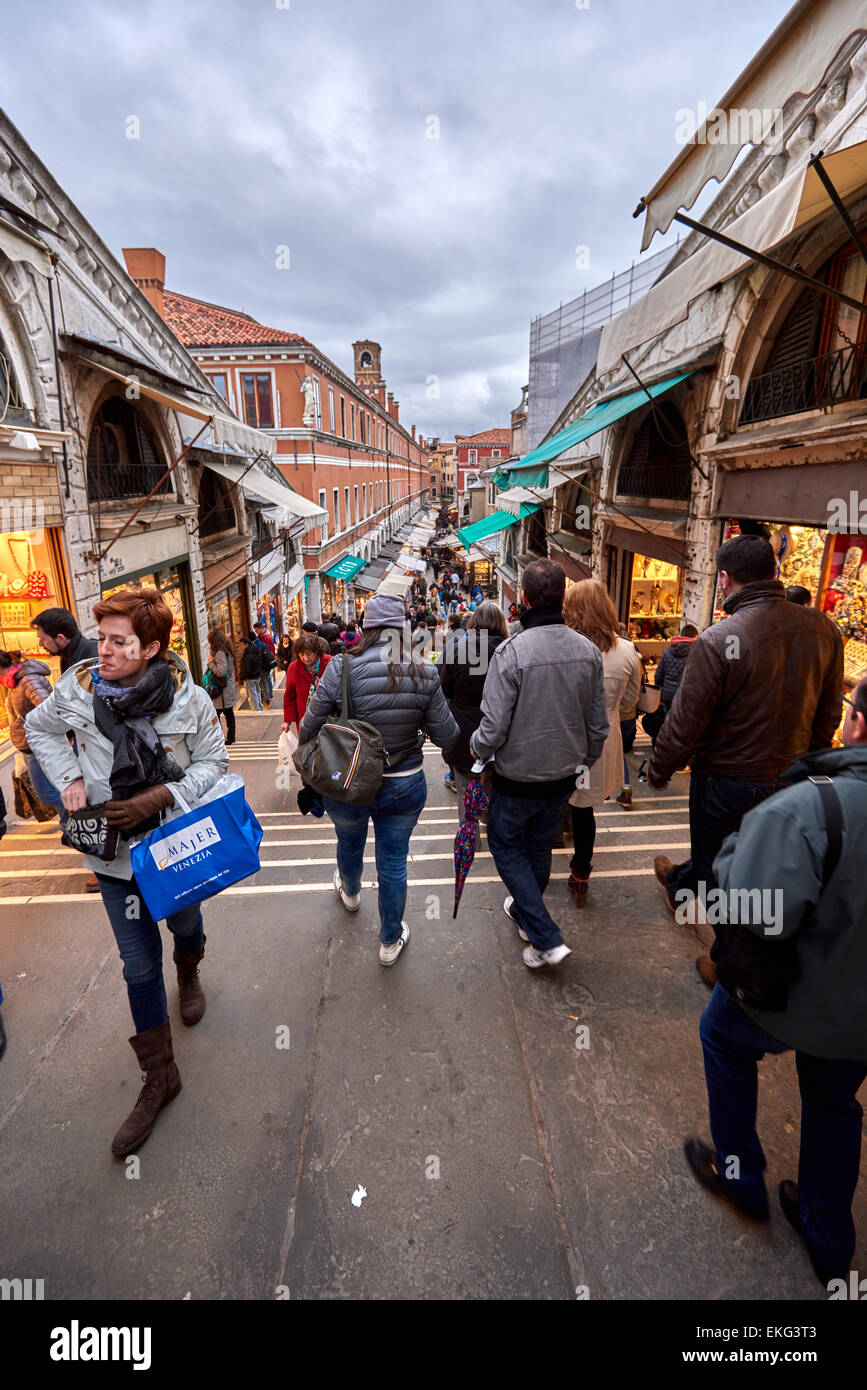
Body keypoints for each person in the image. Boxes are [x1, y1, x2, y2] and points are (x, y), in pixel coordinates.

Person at [25, 587, 228, 1155]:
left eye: (119, 642)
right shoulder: (76, 690)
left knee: (185, 926)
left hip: (173, 848)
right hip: (114, 861)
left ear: (152, 648)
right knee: (138, 967)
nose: (103, 651)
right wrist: (67, 776)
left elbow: (216, 762)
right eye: (103, 638)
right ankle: (160, 1077)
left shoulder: (190, 702)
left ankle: (188, 972)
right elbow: (39, 730)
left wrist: (161, 794)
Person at [684, 674, 867, 1288]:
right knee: (834, 1101)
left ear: (856, 724)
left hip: (793, 992)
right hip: (858, 1013)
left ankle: (740, 1176)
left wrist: (738, 848)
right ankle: (826, 1236)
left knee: (722, 1037)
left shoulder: (814, 805)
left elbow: (754, 905)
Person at [650, 535, 843, 989]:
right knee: (766, 864)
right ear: (775, 573)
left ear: (725, 580)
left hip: (725, 780)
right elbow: (829, 712)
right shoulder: (822, 629)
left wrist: (659, 769)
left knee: (720, 871)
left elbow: (686, 720)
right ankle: (685, 886)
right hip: (790, 776)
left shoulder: (719, 639)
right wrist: (809, 763)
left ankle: (730, 965)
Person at [299, 594, 459, 967]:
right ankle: (389, 940)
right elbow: (448, 737)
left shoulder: (340, 667)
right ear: (404, 628)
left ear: (365, 628)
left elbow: (308, 727)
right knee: (393, 861)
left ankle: (351, 892)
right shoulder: (424, 671)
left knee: (349, 840)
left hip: (348, 781)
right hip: (404, 783)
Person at [470, 559, 608, 969]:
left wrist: (477, 749)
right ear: (563, 599)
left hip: (517, 779)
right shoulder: (588, 651)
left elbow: (492, 728)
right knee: (538, 846)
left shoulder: (511, 653)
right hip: (563, 777)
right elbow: (597, 727)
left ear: (524, 600)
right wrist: (583, 761)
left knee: (505, 845)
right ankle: (529, 919)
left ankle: (545, 934)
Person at [563, 582, 641, 906]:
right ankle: (581, 873)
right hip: (601, 740)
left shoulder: (564, 647)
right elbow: (631, 702)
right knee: (583, 810)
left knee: (551, 802)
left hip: (563, 737)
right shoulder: (627, 652)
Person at [439, 601, 507, 823]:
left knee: (465, 796)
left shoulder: (456, 649)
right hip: (502, 731)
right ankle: (493, 831)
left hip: (463, 732)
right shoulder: (510, 651)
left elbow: (443, 689)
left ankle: (469, 843)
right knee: (494, 790)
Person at [0, 649, 66, 818]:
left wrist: (31, 726)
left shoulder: (27, 680)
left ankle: (76, 815)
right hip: (31, 746)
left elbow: (48, 709)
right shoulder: (14, 681)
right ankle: (70, 821)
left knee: (46, 792)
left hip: (39, 745)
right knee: (51, 788)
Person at [643, 624, 698, 750]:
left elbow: (658, 675)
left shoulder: (668, 651)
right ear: (695, 636)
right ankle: (673, 751)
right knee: (680, 726)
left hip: (667, 695)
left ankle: (658, 747)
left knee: (664, 722)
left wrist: (660, 691)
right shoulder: (695, 653)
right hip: (684, 697)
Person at [281, 633, 331, 737]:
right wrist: (287, 721)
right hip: (305, 719)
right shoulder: (293, 668)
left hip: (328, 717)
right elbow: (290, 696)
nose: (305, 658)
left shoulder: (330, 662)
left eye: (309, 654)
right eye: (301, 654)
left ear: (317, 652)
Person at [31, 607, 98, 672]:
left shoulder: (91, 661)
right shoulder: (68, 655)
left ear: (60, 638)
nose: (40, 644)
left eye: (43, 640)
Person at [206, 628, 237, 746]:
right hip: (227, 688)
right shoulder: (227, 649)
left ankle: (219, 738)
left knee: (216, 714)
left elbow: (221, 671)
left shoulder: (219, 653)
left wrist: (210, 663)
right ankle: (230, 738)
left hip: (222, 691)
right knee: (229, 714)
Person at [238, 635, 265, 710]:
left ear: (246, 644)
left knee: (252, 694)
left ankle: (256, 709)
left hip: (250, 677)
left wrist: (242, 677)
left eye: (241, 645)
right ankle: (260, 707)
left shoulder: (247, 655)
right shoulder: (256, 650)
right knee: (257, 692)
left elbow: (246, 668)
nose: (240, 647)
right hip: (257, 675)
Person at [253, 623, 275, 706]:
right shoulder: (262, 637)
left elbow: (269, 651)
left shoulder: (266, 638)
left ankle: (267, 698)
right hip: (265, 663)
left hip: (265, 663)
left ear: (261, 628)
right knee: (266, 679)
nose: (256, 632)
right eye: (255, 631)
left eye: (257, 630)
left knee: (264, 680)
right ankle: (269, 695)